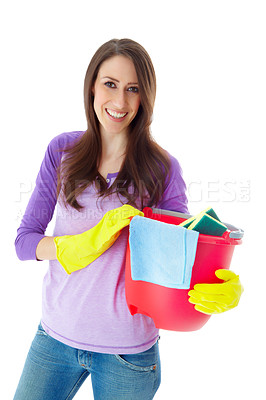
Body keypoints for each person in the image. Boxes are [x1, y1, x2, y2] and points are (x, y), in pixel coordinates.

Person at [13, 38, 243, 400]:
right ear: (92, 86)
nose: (119, 102)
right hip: (54, 339)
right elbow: (24, 241)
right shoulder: (62, 151)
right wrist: (69, 247)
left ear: (145, 97)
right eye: (110, 84)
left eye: (132, 89)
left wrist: (216, 283)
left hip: (128, 354)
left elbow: (179, 258)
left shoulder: (162, 169)